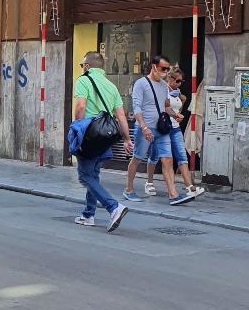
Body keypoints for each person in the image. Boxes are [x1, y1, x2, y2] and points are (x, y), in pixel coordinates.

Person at [70, 51, 133, 232]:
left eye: (82, 65)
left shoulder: (83, 80)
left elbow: (81, 106)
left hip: (89, 135)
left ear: (88, 66)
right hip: (105, 137)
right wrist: (127, 139)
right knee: (94, 175)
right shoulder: (111, 86)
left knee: (85, 176)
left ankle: (113, 207)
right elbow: (121, 116)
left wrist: (77, 129)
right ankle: (89, 214)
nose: (82, 69)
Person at [123, 53, 195, 206]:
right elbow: (136, 108)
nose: (165, 72)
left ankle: (173, 194)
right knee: (137, 158)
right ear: (154, 67)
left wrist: (175, 115)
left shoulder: (164, 86)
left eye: (167, 69)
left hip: (162, 129)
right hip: (145, 128)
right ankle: (129, 189)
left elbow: (166, 106)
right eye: (163, 68)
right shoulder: (141, 84)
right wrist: (143, 127)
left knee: (167, 159)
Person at [145, 67, 204, 200]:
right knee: (155, 155)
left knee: (182, 156)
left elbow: (178, 109)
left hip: (175, 127)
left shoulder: (176, 92)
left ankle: (190, 187)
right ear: (169, 78)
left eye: (181, 81)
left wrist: (182, 102)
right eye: (177, 81)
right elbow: (161, 108)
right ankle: (149, 182)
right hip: (163, 127)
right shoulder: (161, 89)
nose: (179, 84)